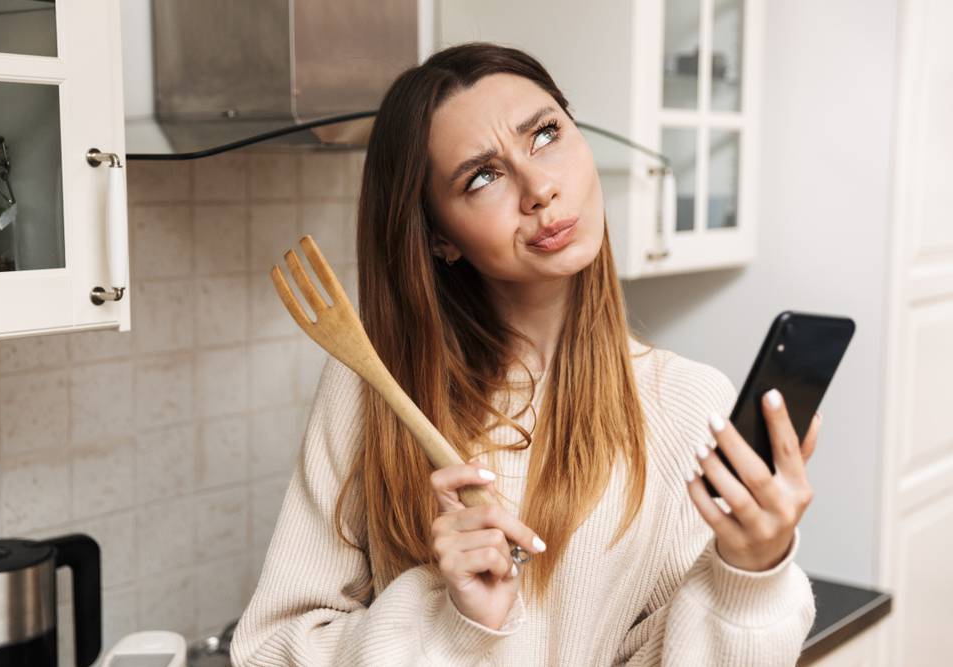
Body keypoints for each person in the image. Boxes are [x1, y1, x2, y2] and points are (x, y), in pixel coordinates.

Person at [230, 42, 818, 666]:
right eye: (482, 176)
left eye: (546, 134)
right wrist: (449, 621)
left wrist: (750, 572)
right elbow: (269, 650)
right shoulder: (371, 387)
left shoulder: (688, 404)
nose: (539, 188)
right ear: (438, 237)